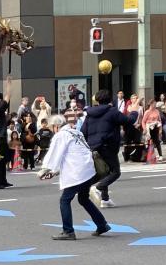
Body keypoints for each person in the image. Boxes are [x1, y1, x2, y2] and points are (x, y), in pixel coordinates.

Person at [38, 111, 110, 240]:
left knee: (65, 200)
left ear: (56, 126)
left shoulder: (61, 135)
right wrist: (55, 171)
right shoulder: (77, 132)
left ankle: (68, 231)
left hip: (77, 172)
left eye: (51, 127)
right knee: (83, 199)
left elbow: (55, 153)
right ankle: (102, 225)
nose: (52, 131)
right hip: (88, 170)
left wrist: (46, 169)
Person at [82, 88, 136, 208]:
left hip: (94, 147)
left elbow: (83, 131)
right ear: (110, 99)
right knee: (115, 172)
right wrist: (133, 112)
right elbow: (128, 121)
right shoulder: (112, 111)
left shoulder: (89, 114)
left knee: (104, 171)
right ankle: (97, 187)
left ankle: (105, 199)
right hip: (108, 145)